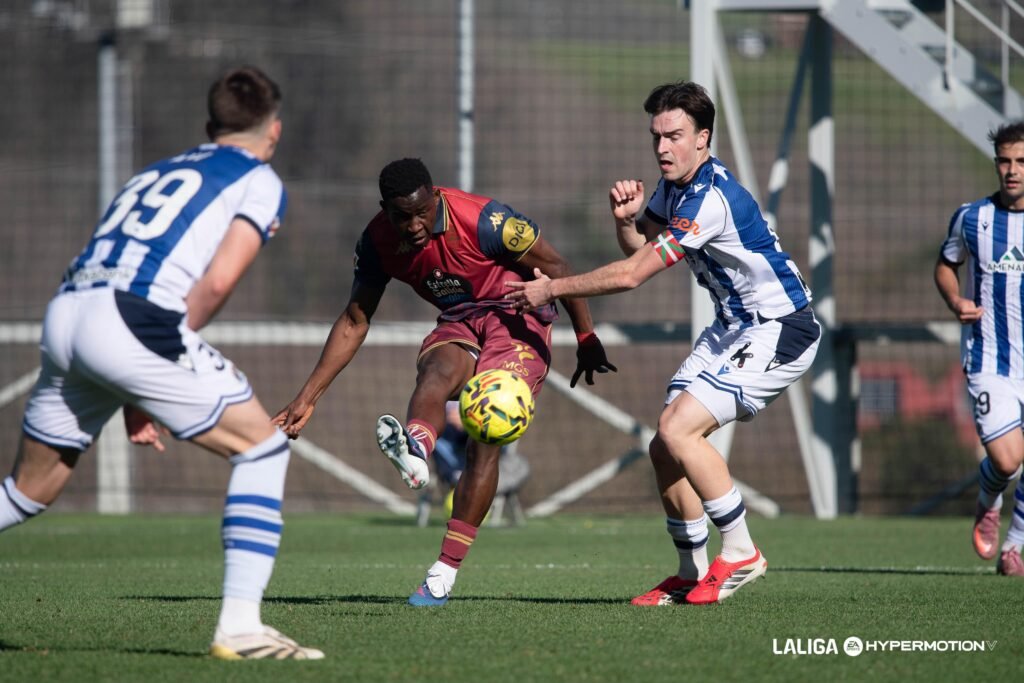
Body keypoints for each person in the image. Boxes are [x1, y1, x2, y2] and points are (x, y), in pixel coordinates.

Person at [0, 67, 324, 659]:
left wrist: (137, 381)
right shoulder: (258, 178)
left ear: (209, 125)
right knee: (262, 448)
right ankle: (241, 629)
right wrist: (147, 370)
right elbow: (218, 281)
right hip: (132, 321)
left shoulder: (154, 171)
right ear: (273, 130)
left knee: (30, 489)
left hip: (67, 311)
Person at [506, 81, 820, 605]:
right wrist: (626, 222)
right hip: (733, 325)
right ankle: (690, 571)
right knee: (665, 445)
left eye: (674, 136)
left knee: (679, 429)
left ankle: (741, 551)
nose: (662, 147)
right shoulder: (674, 186)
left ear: (703, 138)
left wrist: (552, 288)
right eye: (656, 136)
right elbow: (641, 247)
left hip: (779, 327)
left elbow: (633, 275)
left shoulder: (711, 198)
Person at [274, 157, 615, 605]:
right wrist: (307, 397)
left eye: (422, 212)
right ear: (385, 210)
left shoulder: (486, 221)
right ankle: (416, 449)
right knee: (434, 373)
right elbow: (355, 320)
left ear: (435, 196)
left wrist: (586, 336)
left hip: (518, 314)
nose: (415, 226)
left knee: (486, 432)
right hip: (460, 318)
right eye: (403, 216)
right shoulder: (377, 242)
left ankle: (444, 571)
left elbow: (558, 266)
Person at [935, 121, 1024, 577]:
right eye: (1005, 161)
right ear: (996, 164)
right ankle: (989, 500)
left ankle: (1015, 546)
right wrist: (955, 301)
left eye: (1021, 162)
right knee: (1008, 460)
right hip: (990, 359)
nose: (1013, 170)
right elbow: (946, 265)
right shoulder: (972, 218)